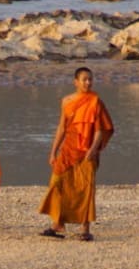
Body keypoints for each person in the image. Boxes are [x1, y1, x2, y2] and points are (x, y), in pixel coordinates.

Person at [38, 67, 114, 242]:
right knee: (57, 183)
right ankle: (57, 224)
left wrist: (93, 149)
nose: (88, 83)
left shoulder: (95, 102)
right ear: (76, 82)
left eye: (90, 79)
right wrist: (53, 151)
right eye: (84, 79)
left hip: (87, 152)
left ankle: (85, 228)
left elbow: (100, 130)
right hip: (68, 149)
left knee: (85, 188)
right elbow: (62, 128)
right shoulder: (66, 101)